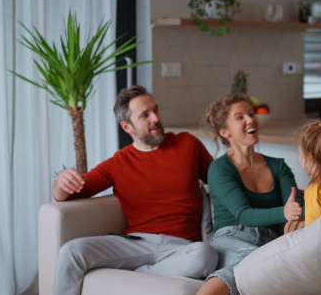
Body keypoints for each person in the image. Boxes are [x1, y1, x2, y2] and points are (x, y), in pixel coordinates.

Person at [52, 85, 218, 295]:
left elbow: (219, 181)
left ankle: (140, 273)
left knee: (206, 255)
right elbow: (67, 195)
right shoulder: (118, 162)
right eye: (145, 115)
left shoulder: (188, 144)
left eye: (156, 110)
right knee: (71, 250)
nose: (155, 118)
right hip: (135, 244)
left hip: (182, 249)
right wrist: (61, 180)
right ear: (127, 126)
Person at [198, 93, 305, 295]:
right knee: (253, 259)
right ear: (225, 132)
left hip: (270, 241)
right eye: (240, 117)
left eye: (251, 113)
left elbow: (298, 207)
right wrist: (285, 212)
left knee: (271, 266)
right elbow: (244, 214)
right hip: (230, 237)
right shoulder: (219, 169)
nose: (250, 119)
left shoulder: (278, 166)